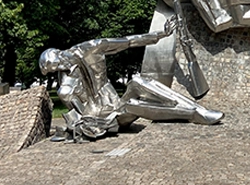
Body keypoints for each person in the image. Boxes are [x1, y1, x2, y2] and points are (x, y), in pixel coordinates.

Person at [39, 17, 223, 140]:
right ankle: (193, 115)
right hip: (103, 119)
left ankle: (199, 109)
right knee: (132, 105)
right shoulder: (65, 88)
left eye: (58, 64)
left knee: (137, 81)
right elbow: (77, 116)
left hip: (113, 103)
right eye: (56, 69)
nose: (60, 69)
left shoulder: (90, 49)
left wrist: (161, 34)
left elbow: (129, 41)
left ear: (60, 54)